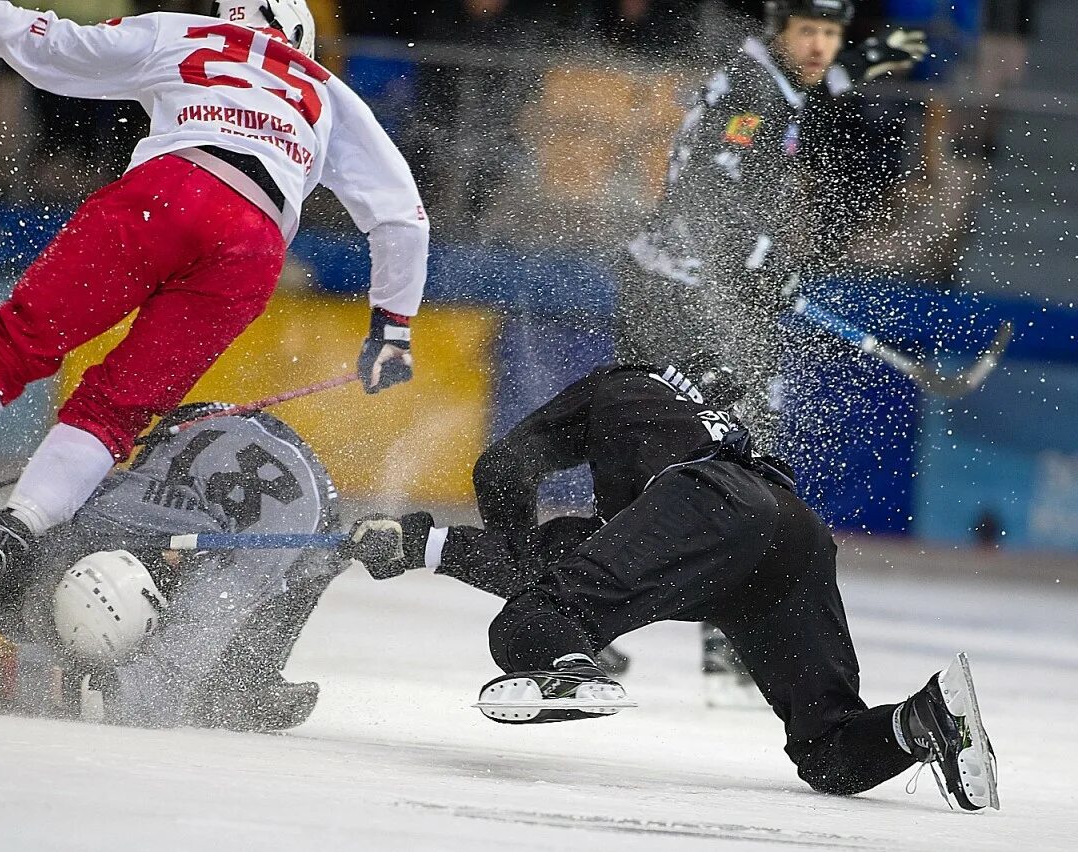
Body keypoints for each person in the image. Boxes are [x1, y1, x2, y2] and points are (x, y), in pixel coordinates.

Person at [0, 1, 428, 625]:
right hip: (253, 243)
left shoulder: (185, 32)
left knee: (11, 344)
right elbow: (400, 214)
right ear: (296, 35)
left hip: (171, 188)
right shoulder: (327, 89)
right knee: (115, 409)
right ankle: (14, 534)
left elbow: (45, 46)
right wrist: (392, 326)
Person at [345, 364, 999, 811]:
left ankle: (571, 666)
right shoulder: (698, 422)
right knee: (829, 754)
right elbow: (576, 546)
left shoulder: (614, 385)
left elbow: (502, 469)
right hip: (790, 530)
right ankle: (928, 721)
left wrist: (529, 595)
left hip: (709, 507)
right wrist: (417, 543)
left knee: (521, 627)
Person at [618, 0, 926, 697]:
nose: (820, 48)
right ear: (777, 32)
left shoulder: (772, 79)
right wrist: (764, 259)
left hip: (689, 287)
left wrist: (867, 62)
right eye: (807, 33)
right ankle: (715, 634)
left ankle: (655, 623)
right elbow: (707, 189)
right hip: (682, 296)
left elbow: (811, 85)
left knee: (692, 464)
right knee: (742, 467)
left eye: (831, 34)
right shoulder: (753, 92)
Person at [0, 406, 342, 730]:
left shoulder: (221, 581)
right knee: (40, 579)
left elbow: (159, 692)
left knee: (222, 694)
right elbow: (42, 575)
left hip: (311, 514)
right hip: (201, 427)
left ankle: (257, 681)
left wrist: (23, 677)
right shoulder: (95, 518)